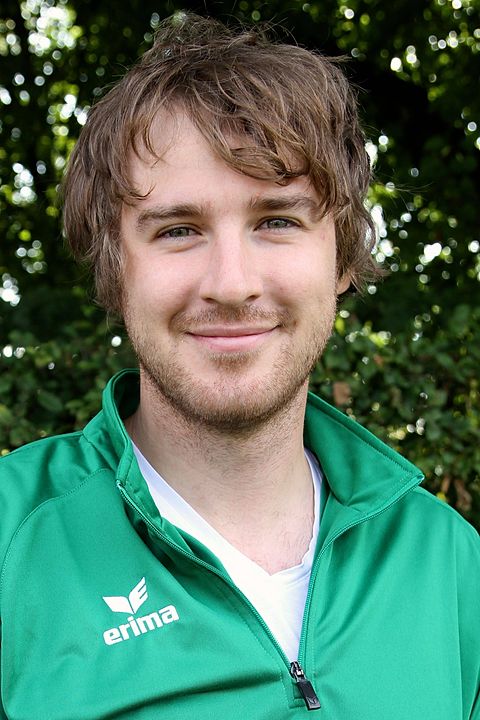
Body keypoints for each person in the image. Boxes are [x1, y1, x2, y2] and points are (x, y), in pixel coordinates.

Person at [0, 12, 478, 720]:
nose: (231, 283)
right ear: (115, 269)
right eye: (178, 230)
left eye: (277, 221)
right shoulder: (11, 540)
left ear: (343, 256)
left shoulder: (450, 562)